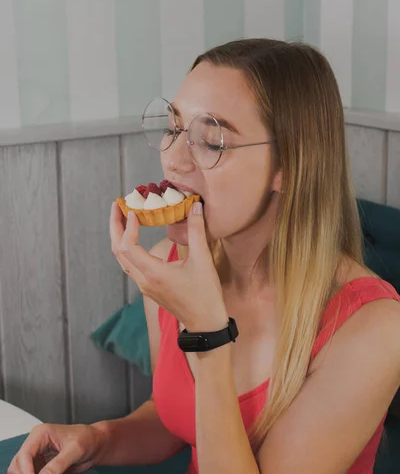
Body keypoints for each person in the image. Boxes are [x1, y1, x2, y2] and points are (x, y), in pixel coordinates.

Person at [9, 39, 400, 474]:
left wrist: (207, 335)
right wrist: (97, 439)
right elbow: (173, 415)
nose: (172, 161)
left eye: (211, 141)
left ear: (291, 164)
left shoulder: (375, 327)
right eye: (174, 128)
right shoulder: (172, 266)